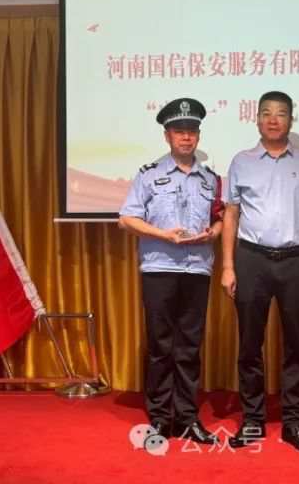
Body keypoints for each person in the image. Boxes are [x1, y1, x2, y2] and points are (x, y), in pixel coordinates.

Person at [220, 90, 299, 454]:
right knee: (249, 344)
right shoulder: (241, 161)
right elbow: (231, 215)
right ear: (256, 119)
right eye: (266, 113)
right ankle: (252, 420)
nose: (273, 119)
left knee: (297, 345)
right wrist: (228, 266)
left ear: (291, 120)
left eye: (281, 113)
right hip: (251, 260)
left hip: (298, 260)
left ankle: (294, 422)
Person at [119, 97, 224, 445]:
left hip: (197, 270)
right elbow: (126, 219)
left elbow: (220, 218)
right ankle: (161, 417)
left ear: (198, 136)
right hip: (159, 267)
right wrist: (163, 234)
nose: (186, 137)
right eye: (180, 131)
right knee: (161, 345)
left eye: (192, 131)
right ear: (167, 136)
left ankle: (188, 418)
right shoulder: (149, 174)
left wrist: (214, 233)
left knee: (189, 347)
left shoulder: (211, 179)